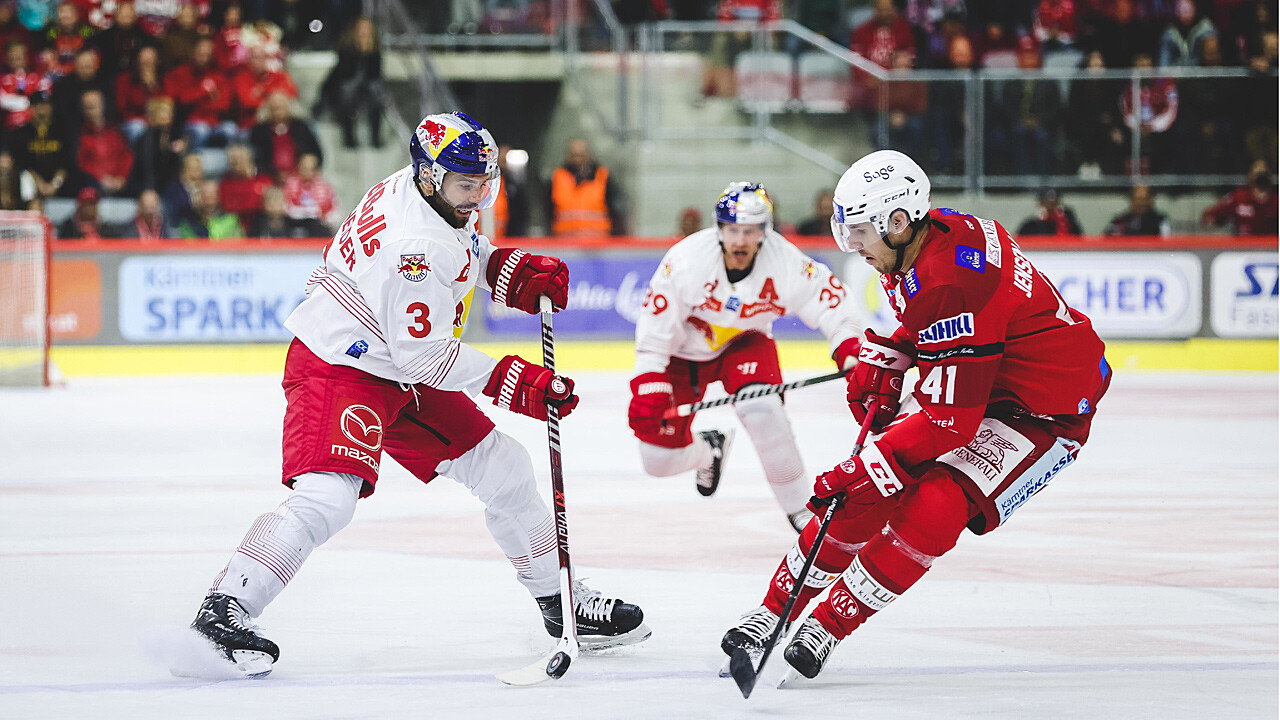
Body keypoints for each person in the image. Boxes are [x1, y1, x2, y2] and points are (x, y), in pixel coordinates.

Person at [186, 111, 650, 678]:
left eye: (486, 182)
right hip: (343, 366)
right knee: (329, 496)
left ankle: (561, 603)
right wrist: (515, 382)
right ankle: (225, 609)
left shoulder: (421, 190)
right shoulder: (414, 245)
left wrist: (504, 272)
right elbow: (425, 355)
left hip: (395, 360)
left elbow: (458, 254)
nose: (478, 197)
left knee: (505, 467)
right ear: (430, 177)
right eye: (466, 186)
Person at [720, 149, 1110, 681]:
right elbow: (926, 320)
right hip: (988, 378)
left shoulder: (953, 281)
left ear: (897, 222)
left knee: (934, 504)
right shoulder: (925, 242)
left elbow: (952, 421)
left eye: (858, 230)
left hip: (1046, 412)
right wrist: (884, 355)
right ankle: (773, 612)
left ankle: (830, 623)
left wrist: (863, 468)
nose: (851, 244)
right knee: (869, 492)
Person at [628, 181, 864, 532]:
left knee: (764, 413)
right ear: (719, 229)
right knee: (656, 461)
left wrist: (849, 347)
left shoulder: (784, 261)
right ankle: (709, 450)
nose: (740, 241)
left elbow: (832, 301)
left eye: (750, 231)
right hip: (682, 354)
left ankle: (802, 510)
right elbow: (654, 330)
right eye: (733, 230)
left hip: (745, 344)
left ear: (764, 232)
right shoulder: (685, 262)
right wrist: (649, 384)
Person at [314, 16, 384, 148]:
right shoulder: (346, 47)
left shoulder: (375, 49)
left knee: (376, 95)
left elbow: (375, 75)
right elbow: (344, 73)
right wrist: (359, 52)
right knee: (347, 93)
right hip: (345, 86)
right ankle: (349, 138)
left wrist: (368, 54)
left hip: (366, 87)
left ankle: (375, 137)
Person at [165, 36, 234, 150]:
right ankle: (193, 164)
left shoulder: (219, 76)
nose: (204, 57)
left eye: (208, 54)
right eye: (201, 53)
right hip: (190, 124)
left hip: (215, 123)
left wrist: (198, 100)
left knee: (230, 129)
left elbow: (224, 105)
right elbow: (181, 99)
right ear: (193, 52)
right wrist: (204, 92)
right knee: (201, 130)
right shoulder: (181, 73)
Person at [548, 138, 624, 238]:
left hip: (597, 245)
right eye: (574, 155)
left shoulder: (603, 177)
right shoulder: (558, 177)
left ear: (588, 154)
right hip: (564, 243)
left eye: (581, 155)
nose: (578, 159)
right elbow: (548, 211)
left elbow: (616, 212)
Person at [10, 89, 71, 199]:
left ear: (51, 107)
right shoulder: (22, 134)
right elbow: (22, 163)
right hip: (31, 185)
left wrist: (54, 184)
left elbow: (67, 162)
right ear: (30, 108)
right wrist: (39, 184)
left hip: (60, 184)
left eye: (44, 105)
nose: (41, 110)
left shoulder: (62, 132)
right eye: (36, 105)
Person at [248, 91, 321, 179]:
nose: (277, 112)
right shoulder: (259, 130)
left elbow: (316, 153)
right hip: (269, 177)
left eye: (280, 108)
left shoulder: (300, 127)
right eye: (274, 108)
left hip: (299, 176)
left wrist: (309, 160)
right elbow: (256, 157)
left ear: (288, 108)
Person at [74, 88, 133, 196]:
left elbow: (125, 157)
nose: (89, 111)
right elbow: (82, 163)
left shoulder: (115, 132)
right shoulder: (79, 134)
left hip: (119, 182)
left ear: (102, 105)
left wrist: (121, 177)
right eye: (86, 107)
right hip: (93, 183)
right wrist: (100, 178)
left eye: (92, 106)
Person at [1201, 161, 1279, 236]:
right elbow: (1211, 215)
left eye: (1264, 174)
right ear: (1250, 176)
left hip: (1270, 247)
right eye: (1258, 174)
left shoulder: (1276, 201)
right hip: (1244, 246)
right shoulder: (1238, 198)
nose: (1261, 178)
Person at [218, 143, 271, 230]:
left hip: (261, 225)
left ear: (249, 159)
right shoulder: (225, 182)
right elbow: (228, 207)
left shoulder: (264, 180)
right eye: (232, 161)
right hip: (233, 226)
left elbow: (268, 206)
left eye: (239, 159)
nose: (235, 163)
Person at [281, 151, 335, 236]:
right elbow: (284, 206)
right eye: (304, 168)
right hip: (293, 223)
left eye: (311, 169)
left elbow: (332, 211)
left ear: (317, 170)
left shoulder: (325, 188)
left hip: (316, 225)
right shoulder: (290, 184)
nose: (306, 172)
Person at [178, 179, 243, 239]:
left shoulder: (231, 220)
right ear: (199, 197)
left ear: (219, 196)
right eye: (205, 195)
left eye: (213, 195)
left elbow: (238, 243)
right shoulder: (188, 223)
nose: (209, 200)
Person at [1104, 185, 1170, 236]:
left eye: (1144, 199)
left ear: (1151, 200)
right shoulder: (1120, 221)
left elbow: (1167, 242)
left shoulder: (1161, 221)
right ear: (1131, 199)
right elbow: (1105, 241)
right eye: (1138, 199)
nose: (1141, 203)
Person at [1016, 188, 1082, 236]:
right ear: (1041, 202)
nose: (1051, 205)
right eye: (1046, 201)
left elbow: (1078, 238)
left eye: (1055, 201)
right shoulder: (1030, 226)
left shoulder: (1067, 222)